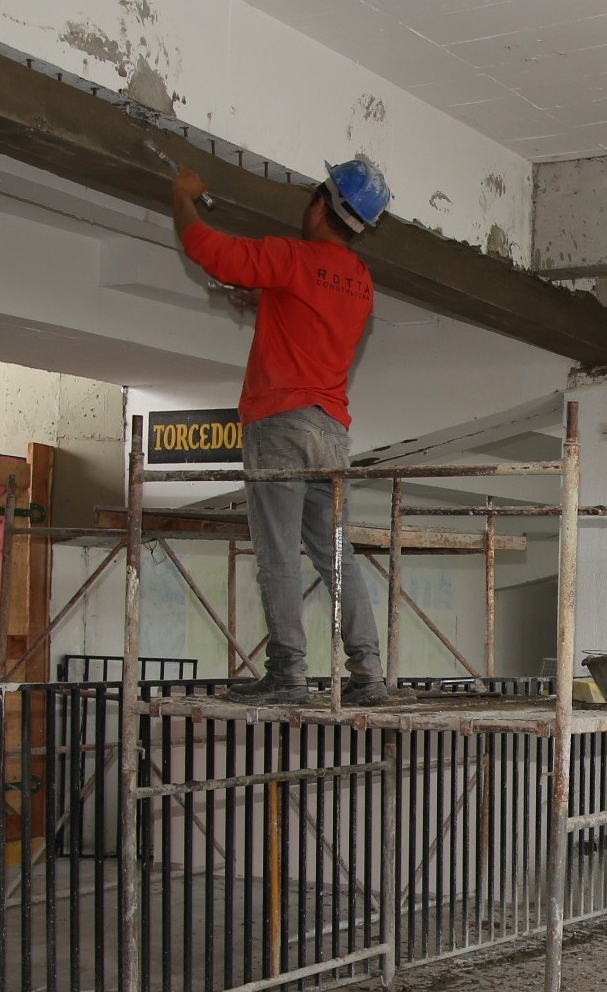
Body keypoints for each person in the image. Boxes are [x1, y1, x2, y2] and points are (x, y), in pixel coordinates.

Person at [170, 158, 395, 706]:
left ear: (320, 204)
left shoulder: (291, 257)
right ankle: (368, 675)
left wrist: (183, 196)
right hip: (332, 434)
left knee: (277, 553)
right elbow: (312, 314)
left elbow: (208, 247)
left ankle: (288, 673)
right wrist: (265, 300)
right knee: (336, 555)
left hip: (280, 424)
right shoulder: (361, 282)